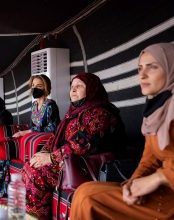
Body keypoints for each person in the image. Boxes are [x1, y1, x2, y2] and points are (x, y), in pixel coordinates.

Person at [70, 43, 174, 220]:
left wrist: (157, 179)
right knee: (84, 192)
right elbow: (148, 160)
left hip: (168, 196)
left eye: (153, 67)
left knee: (88, 198)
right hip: (158, 189)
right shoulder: (156, 111)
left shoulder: (101, 114)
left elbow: (83, 144)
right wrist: (133, 184)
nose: (142, 74)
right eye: (140, 68)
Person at [21, 72, 125, 218]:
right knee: (29, 165)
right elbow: (55, 136)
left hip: (88, 165)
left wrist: (51, 157)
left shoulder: (101, 113)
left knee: (36, 173)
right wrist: (43, 153)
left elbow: (82, 144)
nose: (73, 90)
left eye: (79, 86)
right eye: (72, 86)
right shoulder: (74, 112)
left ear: (92, 89)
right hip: (69, 160)